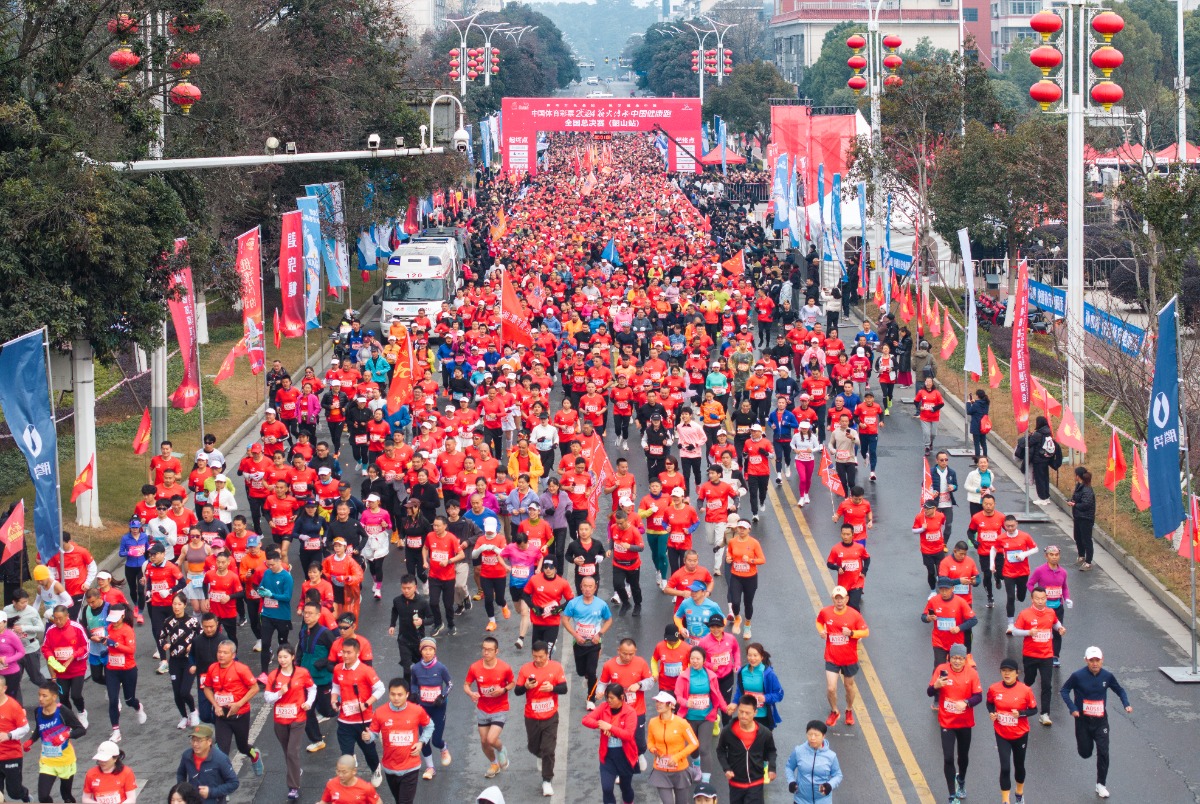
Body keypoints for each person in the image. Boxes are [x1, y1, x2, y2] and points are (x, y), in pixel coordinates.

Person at [1060, 646, 1131, 800]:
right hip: (1083, 721)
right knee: (1085, 753)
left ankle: (1101, 784)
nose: (1094, 663)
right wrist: (1072, 708)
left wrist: (1126, 703)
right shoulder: (1077, 676)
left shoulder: (1107, 676)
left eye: (1097, 660)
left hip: (1100, 721)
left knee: (1104, 752)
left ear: (1102, 660)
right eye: (1091, 660)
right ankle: (1086, 748)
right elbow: (1064, 690)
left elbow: (1120, 690)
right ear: (1086, 660)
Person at [365, 678, 434, 804]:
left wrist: (421, 742)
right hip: (390, 767)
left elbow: (429, 725)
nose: (396, 698)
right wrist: (368, 737)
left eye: (400, 695)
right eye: (393, 694)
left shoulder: (416, 710)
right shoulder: (380, 712)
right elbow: (373, 734)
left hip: (411, 767)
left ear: (407, 694)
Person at [201, 640, 264, 775]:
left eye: (225, 653)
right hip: (221, 716)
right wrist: (215, 705)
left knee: (242, 747)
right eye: (219, 652)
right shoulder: (212, 668)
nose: (221, 655)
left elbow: (254, 688)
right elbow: (207, 688)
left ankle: (254, 755)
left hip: (239, 715)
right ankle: (225, 784)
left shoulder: (241, 669)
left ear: (233, 654)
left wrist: (238, 704)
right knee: (222, 751)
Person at [514, 640, 568, 797]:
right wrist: (526, 687)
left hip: (550, 716)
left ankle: (547, 780)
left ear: (547, 655)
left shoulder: (556, 667)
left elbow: (563, 688)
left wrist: (552, 688)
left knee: (549, 749)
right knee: (533, 746)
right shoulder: (525, 669)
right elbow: (517, 691)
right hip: (531, 716)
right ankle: (539, 754)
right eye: (535, 656)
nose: (538, 660)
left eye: (541, 657)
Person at [263, 644, 316, 801]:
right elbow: (267, 698)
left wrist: (308, 703)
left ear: (293, 657)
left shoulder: (302, 673)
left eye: (286, 657)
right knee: (287, 752)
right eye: (280, 657)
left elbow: (313, 688)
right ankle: (295, 769)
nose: (283, 660)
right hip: (280, 720)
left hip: (298, 719)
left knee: (293, 751)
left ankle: (293, 787)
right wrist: (279, 693)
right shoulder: (273, 675)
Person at [1007, 587, 1066, 726]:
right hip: (1030, 655)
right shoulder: (1025, 614)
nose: (1040, 601)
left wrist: (1060, 628)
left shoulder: (1050, 612)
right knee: (1029, 681)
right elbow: (1014, 631)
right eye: (1037, 599)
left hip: (1046, 655)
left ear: (1046, 598)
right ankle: (1021, 701)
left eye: (1043, 598)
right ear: (1032, 599)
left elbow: (1055, 622)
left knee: (1047, 685)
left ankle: (1045, 714)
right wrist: (1028, 632)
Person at [331, 638, 385, 786]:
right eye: (343, 652)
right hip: (344, 721)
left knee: (369, 752)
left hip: (364, 720)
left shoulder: (366, 671)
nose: (345, 655)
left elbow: (381, 688)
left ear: (357, 652)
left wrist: (367, 703)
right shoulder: (337, 669)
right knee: (346, 753)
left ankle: (375, 769)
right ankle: (349, 779)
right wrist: (334, 699)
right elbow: (336, 685)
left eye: (349, 652)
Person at [986, 658, 1037, 804]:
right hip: (1002, 733)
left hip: (1020, 734)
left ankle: (1019, 793)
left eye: (1010, 671)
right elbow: (989, 703)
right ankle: (1005, 801)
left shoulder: (1025, 690)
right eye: (1004, 671)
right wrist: (992, 713)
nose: (1006, 674)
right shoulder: (994, 689)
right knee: (1005, 767)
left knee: (1019, 765)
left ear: (1017, 673)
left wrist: (1021, 713)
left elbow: (1034, 709)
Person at [815, 586, 867, 728]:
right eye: (836, 598)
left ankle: (849, 710)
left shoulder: (854, 615)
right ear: (833, 599)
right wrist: (821, 632)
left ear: (847, 599)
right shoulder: (825, 612)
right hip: (831, 657)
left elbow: (865, 632)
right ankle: (834, 711)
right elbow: (819, 621)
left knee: (848, 686)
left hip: (849, 658)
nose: (839, 601)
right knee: (831, 688)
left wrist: (851, 633)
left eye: (842, 598)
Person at [464, 636, 515, 779]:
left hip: (500, 708)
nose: (486, 652)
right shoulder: (475, 667)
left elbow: (512, 683)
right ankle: (494, 764)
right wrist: (471, 693)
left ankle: (501, 749)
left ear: (496, 651)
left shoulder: (504, 667)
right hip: (483, 709)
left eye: (489, 650)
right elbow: (466, 685)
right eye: (484, 649)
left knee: (492, 739)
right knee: (484, 741)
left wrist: (503, 690)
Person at [582, 683, 639, 804]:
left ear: (621, 698)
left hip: (625, 756)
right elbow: (586, 720)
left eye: (612, 698)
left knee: (626, 788)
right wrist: (600, 725)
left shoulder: (630, 712)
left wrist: (611, 728)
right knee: (607, 788)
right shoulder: (604, 707)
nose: (609, 700)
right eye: (607, 697)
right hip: (607, 756)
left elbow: (628, 735)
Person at [561, 576, 613, 708]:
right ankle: (587, 677)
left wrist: (599, 634)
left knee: (592, 671)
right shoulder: (574, 603)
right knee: (581, 671)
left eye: (590, 586)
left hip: (594, 643)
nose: (588, 589)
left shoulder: (601, 604)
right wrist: (575, 634)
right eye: (585, 586)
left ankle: (591, 699)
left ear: (595, 588)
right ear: (581, 587)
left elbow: (609, 620)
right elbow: (565, 620)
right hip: (579, 643)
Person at [30, 681, 86, 803]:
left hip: (65, 760)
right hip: (47, 760)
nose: (40, 699)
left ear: (54, 697)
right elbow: (40, 728)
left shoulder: (63, 712)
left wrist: (65, 735)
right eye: (39, 695)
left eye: (44, 696)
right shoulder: (37, 711)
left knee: (66, 796)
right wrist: (31, 740)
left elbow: (81, 730)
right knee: (43, 797)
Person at [715, 698, 777, 803]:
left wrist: (772, 768)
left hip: (756, 783)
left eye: (747, 713)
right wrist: (726, 768)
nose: (743, 716)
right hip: (736, 784)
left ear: (755, 713)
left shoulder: (764, 733)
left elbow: (771, 751)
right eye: (741, 711)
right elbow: (720, 750)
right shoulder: (728, 731)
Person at [408, 637, 452, 779]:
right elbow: (413, 683)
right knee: (423, 739)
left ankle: (443, 747)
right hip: (422, 708)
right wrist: (414, 693)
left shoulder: (441, 668)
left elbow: (450, 684)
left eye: (430, 649)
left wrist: (443, 696)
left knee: (435, 739)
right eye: (425, 649)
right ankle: (430, 767)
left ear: (434, 651)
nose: (427, 653)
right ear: (421, 652)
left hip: (438, 708)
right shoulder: (415, 668)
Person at [102, 604, 146, 742]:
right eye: (111, 619)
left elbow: (131, 650)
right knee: (113, 700)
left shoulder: (127, 630)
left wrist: (114, 644)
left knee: (129, 700)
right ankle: (116, 731)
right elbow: (108, 644)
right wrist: (104, 643)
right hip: (111, 670)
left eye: (116, 618)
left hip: (128, 669)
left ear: (122, 616)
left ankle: (138, 706)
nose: (113, 622)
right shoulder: (108, 628)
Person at [646, 690, 699, 804]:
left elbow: (694, 743)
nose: (658, 704)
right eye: (657, 701)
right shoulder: (652, 722)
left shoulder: (682, 723)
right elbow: (650, 741)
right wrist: (652, 749)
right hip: (660, 770)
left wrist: (677, 757)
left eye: (662, 702)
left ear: (671, 705)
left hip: (679, 770)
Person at [159, 593, 201, 729]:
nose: (176, 607)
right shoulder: (168, 621)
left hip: (189, 661)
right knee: (177, 692)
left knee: (184, 691)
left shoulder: (192, 621)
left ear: (184, 605)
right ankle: (184, 716)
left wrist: (192, 645)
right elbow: (161, 637)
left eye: (179, 604)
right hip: (174, 661)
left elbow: (201, 636)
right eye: (174, 604)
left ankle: (194, 711)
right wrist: (164, 644)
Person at [1028, 546, 1072, 665]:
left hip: (1058, 606)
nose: (1054, 557)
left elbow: (1064, 588)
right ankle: (1039, 653)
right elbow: (1030, 584)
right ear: (1046, 556)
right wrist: (1037, 597)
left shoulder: (1063, 572)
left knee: (1058, 631)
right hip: (1043, 608)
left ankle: (1055, 656)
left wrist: (1067, 598)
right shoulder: (1039, 570)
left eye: (1056, 555)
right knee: (1042, 631)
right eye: (1051, 555)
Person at [176, 723, 239, 804]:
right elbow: (181, 774)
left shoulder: (221, 759)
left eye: (199, 741)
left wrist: (211, 792)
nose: (195, 744)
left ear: (209, 741)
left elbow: (233, 783)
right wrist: (182, 791)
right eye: (193, 740)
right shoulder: (186, 756)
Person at [785, 719, 842, 803]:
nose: (812, 738)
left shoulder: (831, 756)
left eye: (816, 735)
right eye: (810, 734)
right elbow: (789, 767)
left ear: (823, 736)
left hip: (823, 800)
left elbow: (837, 775)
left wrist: (830, 785)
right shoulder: (799, 751)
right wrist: (791, 781)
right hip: (801, 800)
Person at [731, 643, 784, 731]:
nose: (752, 658)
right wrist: (734, 703)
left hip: (763, 716)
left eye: (755, 655)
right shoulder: (742, 671)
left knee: (762, 743)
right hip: (746, 715)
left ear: (761, 657)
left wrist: (765, 698)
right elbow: (739, 691)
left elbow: (779, 694)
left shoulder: (768, 674)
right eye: (749, 655)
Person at [1014, 415, 1059, 505]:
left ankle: (1042, 498)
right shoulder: (1048, 432)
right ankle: (1046, 497)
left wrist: (1029, 435)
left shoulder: (1038, 434)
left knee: (1039, 480)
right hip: (1046, 460)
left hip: (1038, 460)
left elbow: (1028, 443)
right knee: (1045, 478)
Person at [1069, 467, 1097, 570]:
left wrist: (1074, 505)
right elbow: (1076, 498)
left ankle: (1088, 562)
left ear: (1078, 476)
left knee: (1086, 540)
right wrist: (1072, 501)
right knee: (1078, 537)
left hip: (1086, 518)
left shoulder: (1087, 489)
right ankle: (1081, 556)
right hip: (1078, 516)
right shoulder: (1079, 486)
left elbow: (1086, 504)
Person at [913, 376, 944, 455]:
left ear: (932, 383)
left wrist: (934, 408)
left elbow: (941, 404)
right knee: (926, 432)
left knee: (933, 434)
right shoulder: (921, 392)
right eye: (926, 382)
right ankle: (927, 447)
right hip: (924, 417)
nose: (928, 383)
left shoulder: (937, 393)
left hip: (934, 417)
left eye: (929, 382)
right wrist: (920, 407)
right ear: (925, 383)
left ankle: (931, 443)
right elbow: (916, 401)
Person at [965, 390, 990, 461]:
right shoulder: (986, 403)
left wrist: (968, 403)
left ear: (978, 396)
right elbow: (979, 408)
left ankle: (978, 458)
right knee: (983, 443)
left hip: (976, 426)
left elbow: (969, 411)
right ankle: (985, 457)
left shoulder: (976, 405)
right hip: (984, 425)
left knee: (976, 443)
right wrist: (974, 402)